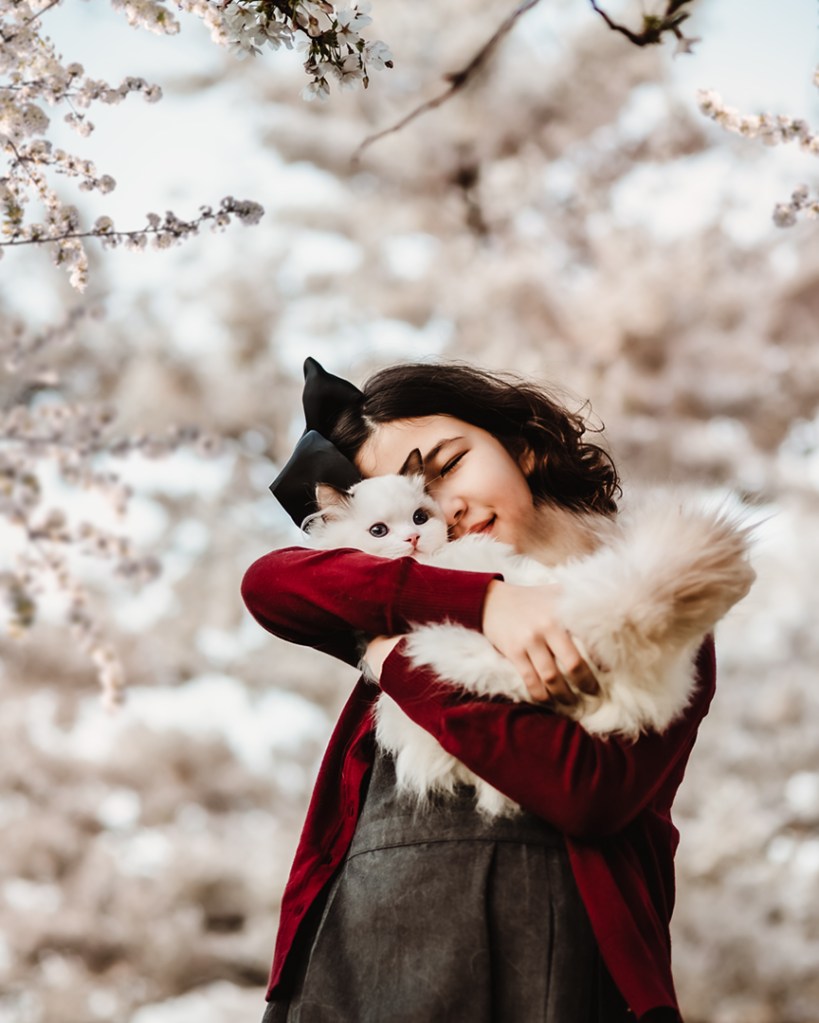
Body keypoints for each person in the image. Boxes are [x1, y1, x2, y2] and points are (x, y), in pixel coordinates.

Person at [242, 357, 716, 1022]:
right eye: (410, 499)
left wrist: (398, 663)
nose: (441, 507)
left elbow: (589, 792)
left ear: (519, 442)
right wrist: (485, 601)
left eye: (447, 465)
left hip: (559, 941)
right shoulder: (407, 592)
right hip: (360, 944)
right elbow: (268, 582)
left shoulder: (654, 587)